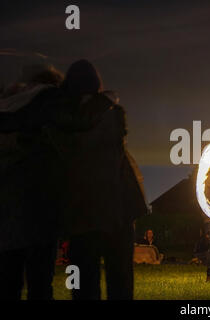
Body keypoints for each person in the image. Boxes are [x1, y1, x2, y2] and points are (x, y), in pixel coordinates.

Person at [51, 60, 148, 299]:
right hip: (118, 211)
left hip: (81, 212)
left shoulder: (59, 121)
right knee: (120, 279)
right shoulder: (114, 116)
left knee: (84, 280)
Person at [0, 64, 64, 300]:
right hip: (40, 213)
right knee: (39, 283)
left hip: (10, 215)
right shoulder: (50, 118)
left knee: (9, 282)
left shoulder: (11, 112)